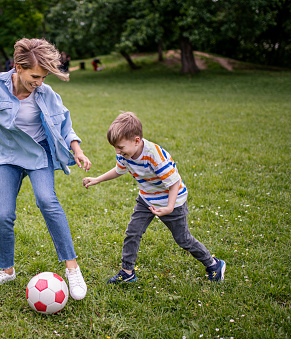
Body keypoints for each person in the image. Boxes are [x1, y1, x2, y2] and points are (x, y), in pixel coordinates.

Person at [0, 38, 91, 300]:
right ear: (17, 67)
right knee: (3, 215)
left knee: (47, 200)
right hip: (9, 156)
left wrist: (77, 150)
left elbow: (65, 125)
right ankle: (7, 270)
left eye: (44, 77)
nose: (39, 82)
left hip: (39, 155)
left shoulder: (46, 94)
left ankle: (72, 268)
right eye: (35, 76)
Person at [83, 112, 226, 284]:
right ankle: (127, 272)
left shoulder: (154, 155)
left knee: (183, 239)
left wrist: (170, 207)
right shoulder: (125, 155)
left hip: (172, 201)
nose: (118, 152)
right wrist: (97, 179)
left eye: (120, 147)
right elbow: (119, 170)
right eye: (115, 147)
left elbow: (174, 183)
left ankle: (213, 264)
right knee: (133, 232)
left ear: (136, 140)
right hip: (147, 199)